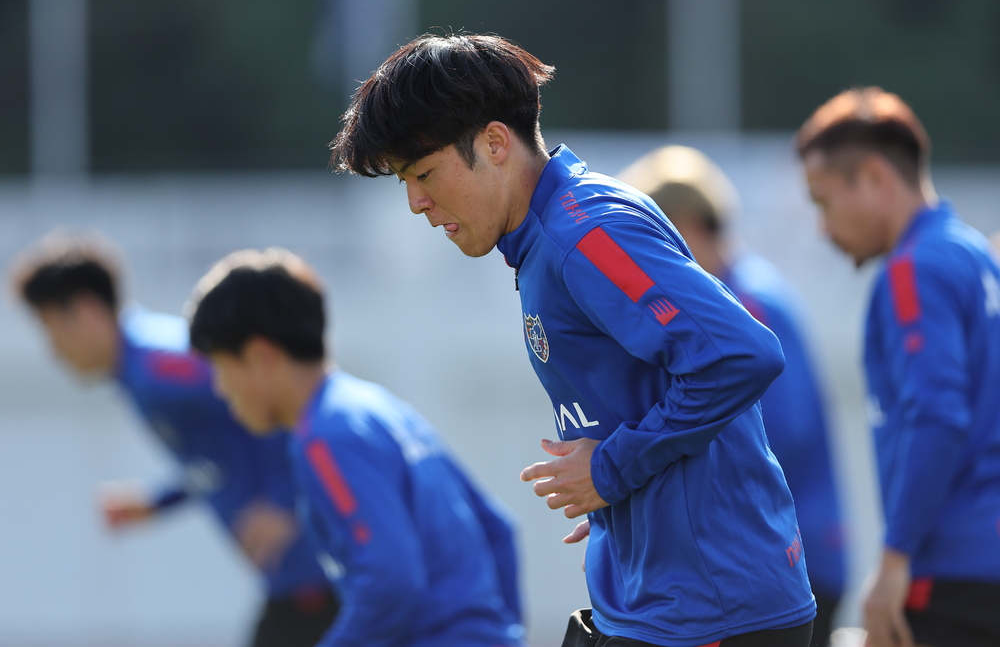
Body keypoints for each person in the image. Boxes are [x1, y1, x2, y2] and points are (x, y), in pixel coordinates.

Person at [330, 32, 816, 647]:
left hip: (709, 610)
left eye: (423, 173)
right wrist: (630, 502)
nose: (416, 203)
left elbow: (741, 354)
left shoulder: (585, 234)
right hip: (660, 602)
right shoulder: (546, 237)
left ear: (495, 143)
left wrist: (611, 471)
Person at [186, 248, 524, 647]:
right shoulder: (380, 408)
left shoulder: (326, 437)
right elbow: (497, 529)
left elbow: (390, 583)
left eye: (220, 368)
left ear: (261, 356)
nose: (219, 389)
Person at [11, 234, 338, 647]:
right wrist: (157, 502)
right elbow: (216, 460)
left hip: (316, 575)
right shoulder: (137, 370)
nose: (53, 350)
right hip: (293, 580)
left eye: (50, 328)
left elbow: (274, 396)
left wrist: (281, 499)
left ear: (86, 310)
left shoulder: (159, 367)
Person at [617, 145, 846, 647]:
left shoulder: (747, 303)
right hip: (769, 555)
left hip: (782, 557)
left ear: (685, 227)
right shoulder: (744, 294)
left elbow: (780, 431)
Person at [797, 87, 1000, 647]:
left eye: (824, 201)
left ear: (875, 178)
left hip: (955, 573)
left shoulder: (915, 269)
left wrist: (894, 558)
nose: (823, 227)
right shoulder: (975, 257)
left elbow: (938, 416)